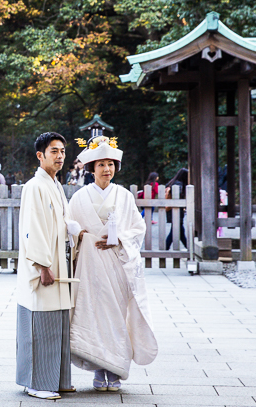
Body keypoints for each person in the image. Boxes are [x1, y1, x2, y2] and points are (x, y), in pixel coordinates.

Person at [67, 135, 158, 392]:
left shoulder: (124, 196)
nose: (106, 169)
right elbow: (68, 230)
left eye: (110, 164)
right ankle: (98, 368)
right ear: (91, 169)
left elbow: (137, 229)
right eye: (101, 164)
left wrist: (118, 239)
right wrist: (81, 235)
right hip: (90, 265)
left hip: (117, 264)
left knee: (117, 315)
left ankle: (115, 368)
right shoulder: (79, 197)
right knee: (93, 314)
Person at [15, 133, 80, 400]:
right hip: (44, 265)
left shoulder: (55, 185)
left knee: (58, 323)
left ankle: (57, 380)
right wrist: (42, 265)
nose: (60, 156)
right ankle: (37, 382)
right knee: (41, 322)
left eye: (62, 151)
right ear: (40, 155)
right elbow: (34, 227)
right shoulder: (34, 186)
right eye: (54, 151)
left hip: (59, 261)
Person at [164, 168, 188, 248]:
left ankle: (189, 250)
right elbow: (177, 197)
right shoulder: (179, 184)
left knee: (179, 232)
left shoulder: (172, 182)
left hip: (171, 209)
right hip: (176, 210)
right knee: (177, 232)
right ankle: (190, 250)